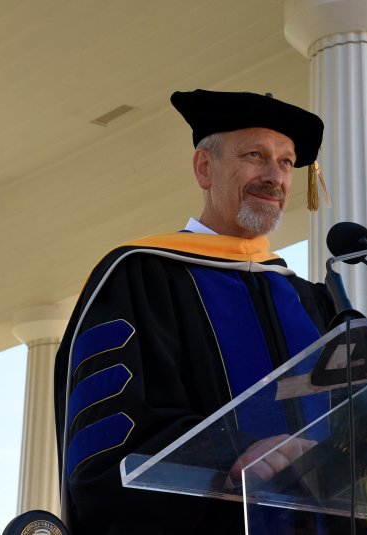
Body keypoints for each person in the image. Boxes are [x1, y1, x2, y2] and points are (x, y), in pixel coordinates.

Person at [53, 89, 336, 534]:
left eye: (285, 162)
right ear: (205, 169)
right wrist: (232, 457)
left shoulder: (313, 302)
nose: (274, 177)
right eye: (255, 155)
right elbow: (111, 443)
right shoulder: (139, 276)